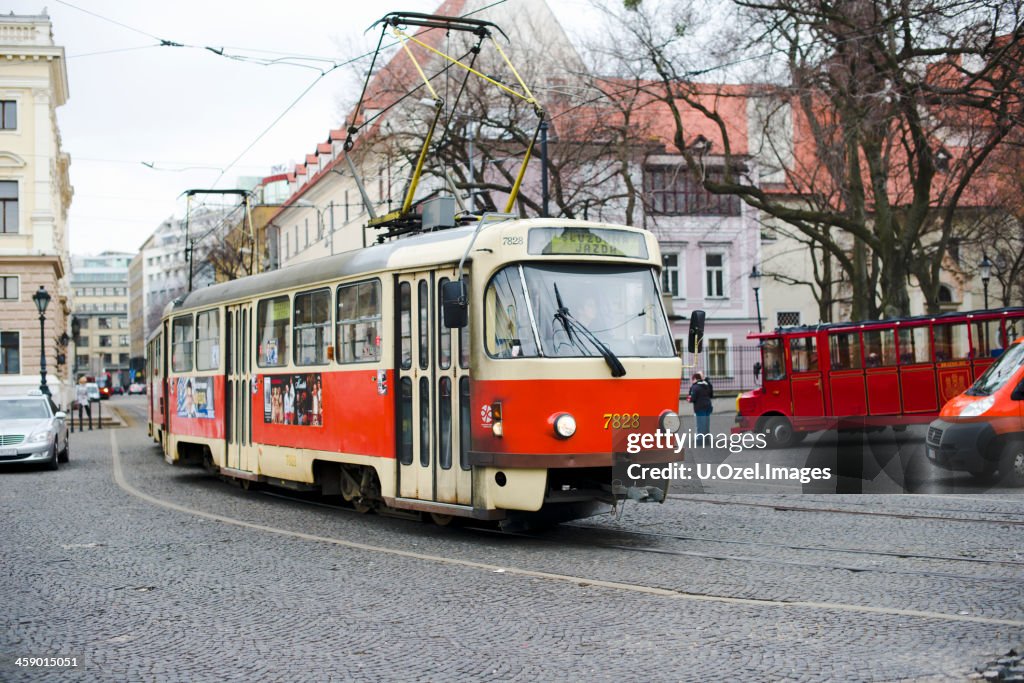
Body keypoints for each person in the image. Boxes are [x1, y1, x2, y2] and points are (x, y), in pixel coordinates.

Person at [687, 372, 714, 437]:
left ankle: (700, 440)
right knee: (706, 424)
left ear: (695, 379)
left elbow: (692, 398)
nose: (692, 381)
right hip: (708, 406)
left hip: (700, 407)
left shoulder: (695, 387)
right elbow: (711, 394)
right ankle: (707, 439)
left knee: (700, 424)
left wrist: (688, 399)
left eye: (692, 379)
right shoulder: (707, 385)